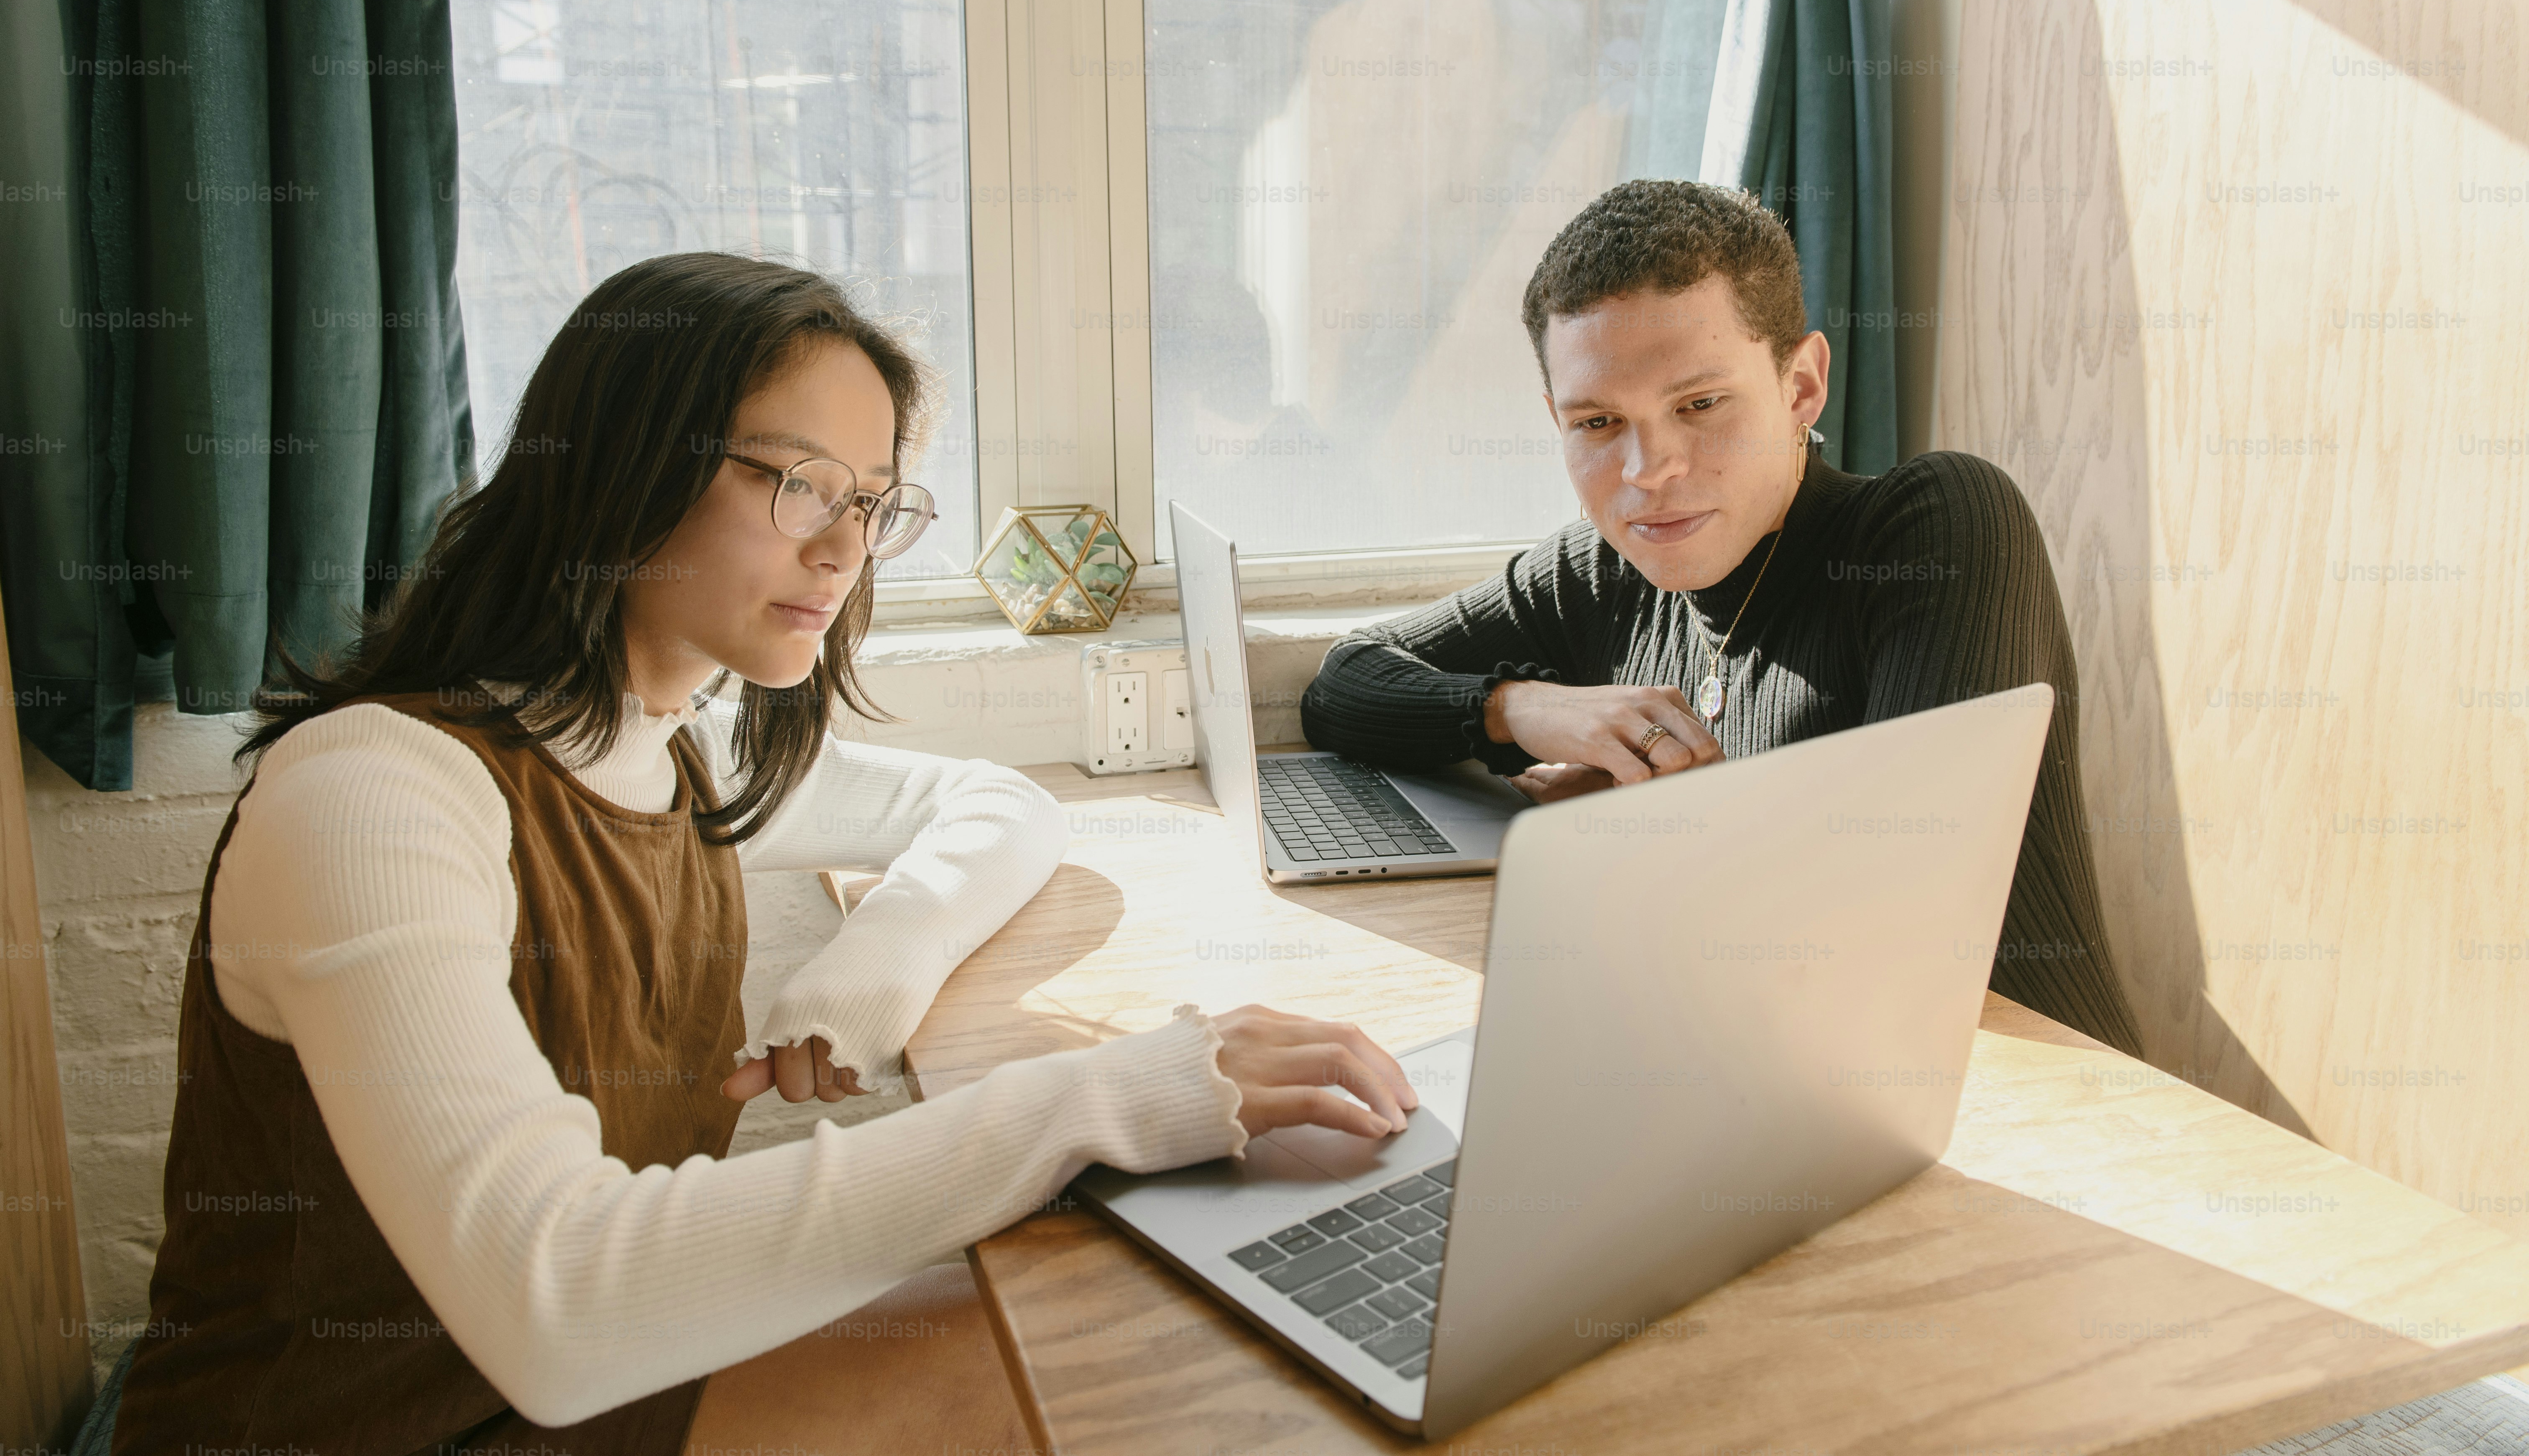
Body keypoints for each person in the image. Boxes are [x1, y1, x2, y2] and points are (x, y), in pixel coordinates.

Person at [108, 253, 1418, 1451]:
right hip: (395, 1421)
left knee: (1071, 1304)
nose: (845, 549)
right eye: (796, 484)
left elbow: (1000, 809)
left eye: (874, 503)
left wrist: (870, 976)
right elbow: (558, 1301)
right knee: (1040, 1367)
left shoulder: (674, 743)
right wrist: (1094, 1098)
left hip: (570, 1391)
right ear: (624, 466)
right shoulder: (373, 796)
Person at [1300, 181, 2143, 1055]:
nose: (1649, 469)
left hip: (2048, 1108)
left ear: (1802, 385)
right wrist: (1530, 710)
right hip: (1761, 1081)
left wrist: (1657, 832)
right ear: (1557, 421)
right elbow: (1345, 682)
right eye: (1598, 421)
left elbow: (1899, 912)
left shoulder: (1934, 525)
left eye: (1700, 404)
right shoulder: (1600, 572)